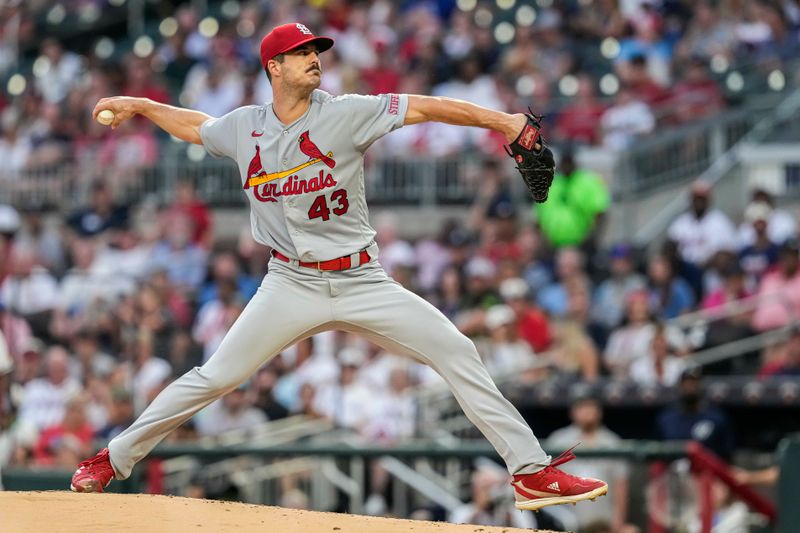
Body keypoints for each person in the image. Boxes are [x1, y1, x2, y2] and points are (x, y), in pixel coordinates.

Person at [70, 22, 607, 510]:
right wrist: (141, 103)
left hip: (361, 278)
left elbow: (425, 106)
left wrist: (505, 122)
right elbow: (196, 127)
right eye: (300, 52)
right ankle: (111, 459)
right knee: (215, 376)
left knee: (457, 350)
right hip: (289, 281)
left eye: (316, 50)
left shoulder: (347, 112)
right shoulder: (244, 128)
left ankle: (531, 472)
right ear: (273, 68)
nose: (314, 58)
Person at [548, 396, 635, 532]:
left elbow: (621, 484)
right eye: (582, 407)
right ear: (573, 412)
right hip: (567, 520)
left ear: (599, 411)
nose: (587, 411)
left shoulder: (612, 442)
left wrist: (619, 520)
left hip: (603, 522)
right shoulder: (559, 440)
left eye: (591, 406)